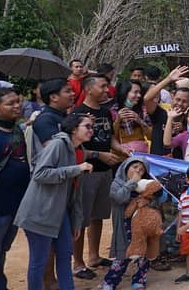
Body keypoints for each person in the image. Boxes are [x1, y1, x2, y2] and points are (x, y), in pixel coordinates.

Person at [15, 112, 92, 290]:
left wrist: (76, 221)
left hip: (59, 212)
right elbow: (40, 174)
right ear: (74, 129)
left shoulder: (77, 150)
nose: (91, 130)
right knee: (39, 260)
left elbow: (74, 193)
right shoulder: (58, 144)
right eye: (87, 126)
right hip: (39, 211)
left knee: (65, 254)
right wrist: (75, 169)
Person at [72, 74, 123, 278]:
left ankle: (94, 256)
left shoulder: (106, 112)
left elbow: (110, 138)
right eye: (102, 86)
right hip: (86, 172)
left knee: (98, 215)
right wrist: (99, 154)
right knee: (81, 218)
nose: (106, 90)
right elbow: (73, 146)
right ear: (89, 88)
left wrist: (122, 150)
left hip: (105, 171)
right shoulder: (77, 115)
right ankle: (78, 263)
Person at [100, 157, 161, 290]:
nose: (138, 171)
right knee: (122, 257)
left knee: (143, 257)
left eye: (141, 170)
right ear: (126, 167)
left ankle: (139, 280)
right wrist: (132, 182)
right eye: (135, 167)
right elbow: (119, 198)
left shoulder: (144, 185)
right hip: (124, 228)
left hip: (141, 229)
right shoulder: (116, 183)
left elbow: (156, 199)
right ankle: (110, 282)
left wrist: (148, 202)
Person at [0, 88, 27, 290]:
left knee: (2, 249)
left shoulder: (17, 131)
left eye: (17, 101)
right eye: (10, 103)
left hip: (16, 204)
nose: (17, 106)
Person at [113, 80, 152, 155]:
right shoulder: (112, 111)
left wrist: (140, 121)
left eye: (139, 92)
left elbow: (151, 136)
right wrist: (117, 121)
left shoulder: (143, 111)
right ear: (124, 93)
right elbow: (111, 138)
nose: (139, 95)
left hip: (140, 156)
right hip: (119, 156)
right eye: (135, 92)